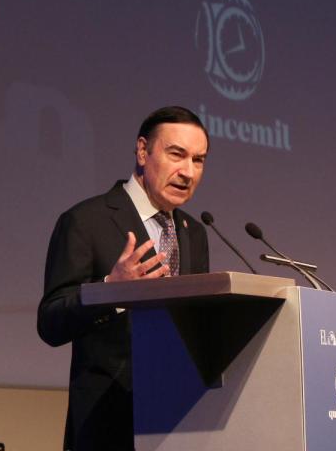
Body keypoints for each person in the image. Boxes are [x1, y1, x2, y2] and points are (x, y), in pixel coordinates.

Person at [37, 106, 211, 451]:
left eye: (199, 160)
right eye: (177, 155)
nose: (188, 172)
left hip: (180, 423)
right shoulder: (86, 221)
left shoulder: (195, 233)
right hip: (108, 425)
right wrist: (109, 292)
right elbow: (51, 322)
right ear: (143, 151)